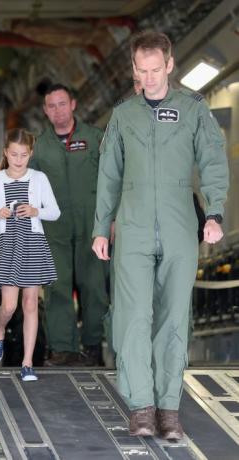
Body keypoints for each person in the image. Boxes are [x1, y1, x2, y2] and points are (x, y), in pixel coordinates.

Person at [92, 30, 228, 439]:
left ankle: (169, 407)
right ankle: (141, 407)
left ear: (170, 65)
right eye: (142, 70)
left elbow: (213, 161)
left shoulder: (194, 109)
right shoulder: (123, 115)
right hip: (131, 227)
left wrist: (215, 212)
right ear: (133, 69)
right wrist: (102, 227)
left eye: (156, 69)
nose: (149, 78)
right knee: (133, 318)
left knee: (173, 319)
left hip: (179, 223)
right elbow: (108, 176)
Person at [30, 84, 109, 366]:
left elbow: (112, 181)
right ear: (45, 110)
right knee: (57, 288)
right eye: (52, 106)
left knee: (94, 289)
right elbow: (29, 190)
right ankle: (63, 348)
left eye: (62, 104)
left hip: (92, 228)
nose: (58, 111)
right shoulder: (38, 147)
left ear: (73, 104)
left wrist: (111, 221)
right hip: (54, 231)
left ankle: (92, 346)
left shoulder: (96, 138)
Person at [0, 129, 60, 381]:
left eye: (23, 154)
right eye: (14, 154)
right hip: (6, 243)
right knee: (10, 305)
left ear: (30, 154)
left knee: (30, 303)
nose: (18, 159)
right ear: (5, 153)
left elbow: (55, 212)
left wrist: (36, 210)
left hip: (32, 242)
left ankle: (27, 363)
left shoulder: (39, 178)